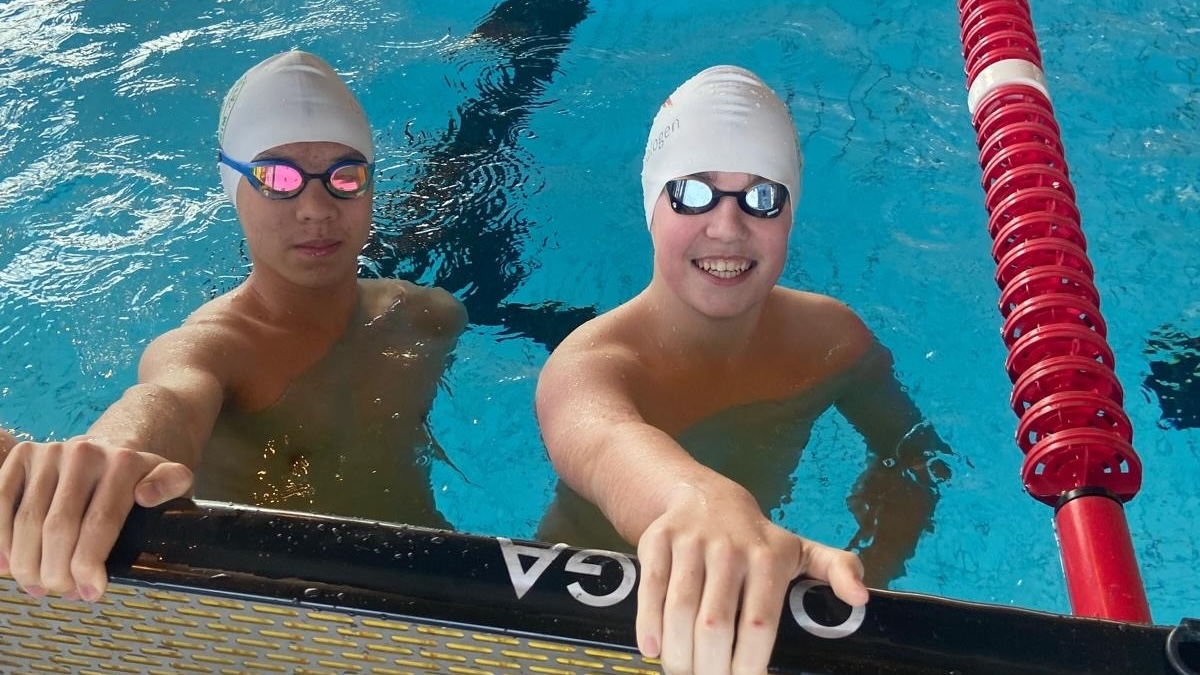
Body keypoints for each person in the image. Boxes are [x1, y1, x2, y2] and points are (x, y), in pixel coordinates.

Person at [0, 51, 466, 602]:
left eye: (345, 175)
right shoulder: (217, 346)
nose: (316, 208)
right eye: (277, 178)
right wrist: (106, 459)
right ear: (234, 190)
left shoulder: (429, 318)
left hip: (438, 589)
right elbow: (168, 400)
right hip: (273, 608)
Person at [534, 65, 951, 673]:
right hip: (573, 621)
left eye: (762, 198)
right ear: (652, 206)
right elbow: (604, 443)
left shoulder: (832, 342)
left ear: (789, 216)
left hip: (748, 610)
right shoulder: (590, 368)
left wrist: (863, 583)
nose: (727, 228)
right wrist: (702, 501)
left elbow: (916, 457)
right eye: (692, 192)